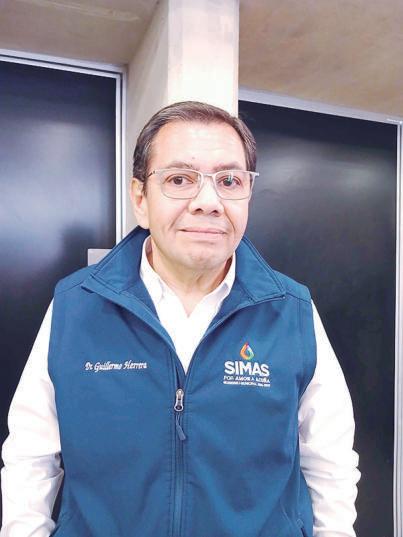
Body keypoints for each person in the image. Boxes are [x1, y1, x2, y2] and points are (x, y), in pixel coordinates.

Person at [1, 101, 360, 537]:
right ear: (140, 199)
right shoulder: (76, 306)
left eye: (229, 181)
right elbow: (31, 457)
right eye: (179, 179)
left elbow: (330, 462)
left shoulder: (292, 310)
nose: (208, 202)